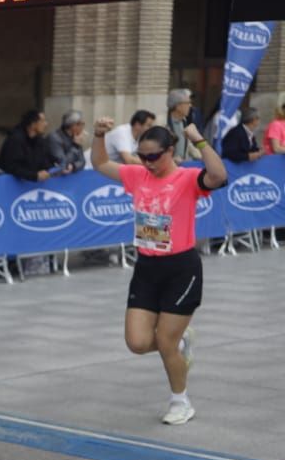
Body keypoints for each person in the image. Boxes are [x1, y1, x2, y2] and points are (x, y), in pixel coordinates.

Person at [91, 117, 227, 425]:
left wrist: (199, 140)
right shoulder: (137, 175)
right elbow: (99, 163)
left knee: (164, 342)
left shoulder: (187, 179)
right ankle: (180, 342)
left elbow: (218, 175)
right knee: (137, 343)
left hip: (181, 268)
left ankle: (181, 401)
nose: (148, 162)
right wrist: (99, 135)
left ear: (170, 150)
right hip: (147, 267)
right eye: (142, 156)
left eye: (154, 156)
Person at [0, 110, 56, 182]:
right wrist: (34, 175)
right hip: (10, 186)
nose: (46, 124)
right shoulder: (15, 139)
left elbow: (46, 161)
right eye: (42, 121)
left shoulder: (40, 141)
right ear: (33, 124)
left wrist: (60, 169)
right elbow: (13, 167)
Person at [168, 89, 202, 161]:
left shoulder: (184, 122)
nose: (190, 106)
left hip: (182, 166)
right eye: (187, 103)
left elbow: (188, 145)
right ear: (177, 106)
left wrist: (203, 156)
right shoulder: (162, 122)